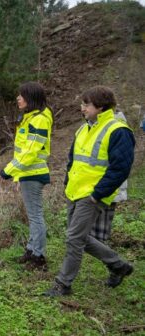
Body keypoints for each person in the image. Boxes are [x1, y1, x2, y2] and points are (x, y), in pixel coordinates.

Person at [45, 86, 135, 297]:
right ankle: (118, 265)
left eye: (86, 104)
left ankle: (63, 284)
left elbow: (120, 168)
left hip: (92, 195)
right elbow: (73, 160)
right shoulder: (83, 128)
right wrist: (68, 184)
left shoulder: (118, 131)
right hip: (75, 192)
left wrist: (97, 194)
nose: (82, 108)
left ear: (100, 107)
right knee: (80, 237)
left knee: (74, 239)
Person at [0, 82, 53, 271]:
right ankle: (31, 250)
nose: (18, 98)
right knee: (33, 216)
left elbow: (30, 152)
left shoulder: (39, 119)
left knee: (36, 216)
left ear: (30, 98)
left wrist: (8, 171)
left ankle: (39, 257)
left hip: (33, 174)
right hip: (28, 174)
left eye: (21, 95)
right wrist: (17, 176)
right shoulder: (31, 118)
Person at [91, 109, 127, 243]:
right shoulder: (102, 125)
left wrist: (101, 189)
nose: (83, 108)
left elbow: (118, 165)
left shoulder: (115, 128)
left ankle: (102, 250)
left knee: (102, 224)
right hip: (102, 184)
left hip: (108, 185)